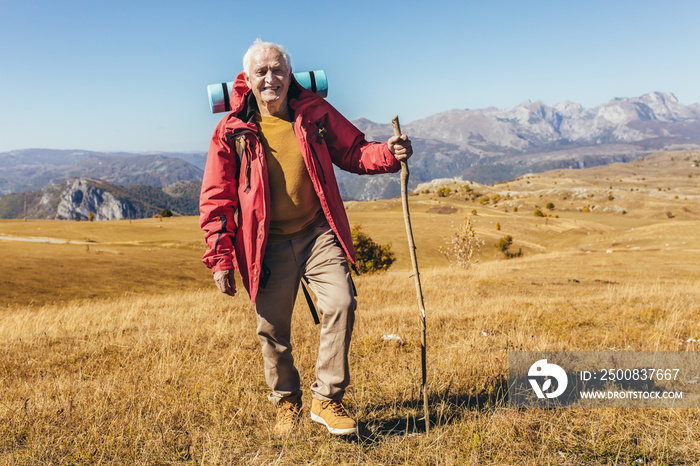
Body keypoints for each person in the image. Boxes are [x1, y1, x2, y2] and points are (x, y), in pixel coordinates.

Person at [199, 39, 412, 436]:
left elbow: (354, 150)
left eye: (278, 70)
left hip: (318, 233)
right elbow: (217, 198)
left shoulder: (313, 112)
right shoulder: (231, 130)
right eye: (261, 72)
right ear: (247, 78)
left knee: (342, 302)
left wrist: (388, 153)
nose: (270, 79)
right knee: (272, 329)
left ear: (289, 74)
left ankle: (327, 399)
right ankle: (287, 401)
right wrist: (221, 257)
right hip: (266, 245)